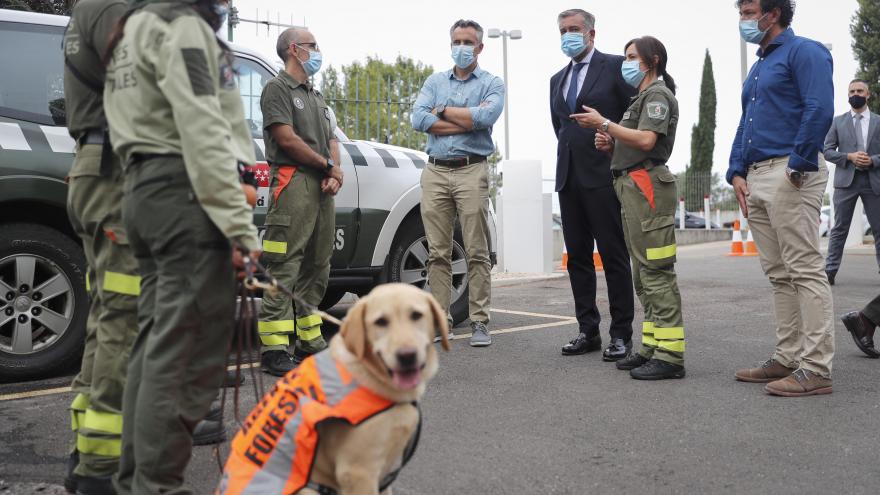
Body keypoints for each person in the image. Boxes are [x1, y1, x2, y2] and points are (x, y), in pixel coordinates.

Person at [102, 0, 261, 492]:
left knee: (157, 348)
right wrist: (238, 226)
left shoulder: (132, 30)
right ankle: (155, 486)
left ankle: (138, 483)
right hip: (184, 193)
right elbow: (202, 124)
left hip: (148, 193)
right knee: (184, 356)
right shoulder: (184, 27)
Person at [727, 0, 835, 397]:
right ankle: (788, 357)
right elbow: (746, 123)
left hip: (790, 171)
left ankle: (816, 367)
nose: (743, 19)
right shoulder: (758, 67)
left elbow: (819, 107)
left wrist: (799, 162)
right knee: (780, 275)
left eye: (748, 11)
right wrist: (736, 171)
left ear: (772, 14)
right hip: (756, 177)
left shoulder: (806, 51)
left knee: (804, 270)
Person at [571, 36, 685, 380]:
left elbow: (648, 142)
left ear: (653, 60)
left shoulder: (658, 96)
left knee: (656, 272)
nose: (627, 62)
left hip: (647, 187)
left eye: (632, 56)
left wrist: (604, 124)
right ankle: (651, 347)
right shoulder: (640, 97)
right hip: (632, 185)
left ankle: (670, 356)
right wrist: (611, 146)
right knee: (642, 274)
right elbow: (635, 145)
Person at [61, 0, 134, 492]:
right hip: (120, 172)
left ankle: (86, 452)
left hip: (103, 166)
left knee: (109, 314)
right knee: (125, 316)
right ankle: (99, 471)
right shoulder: (116, 6)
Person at [411, 19, 504, 347]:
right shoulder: (435, 81)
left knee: (477, 250)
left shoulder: (492, 83)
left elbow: (486, 118)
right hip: (435, 171)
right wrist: (465, 120)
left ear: (480, 47)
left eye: (468, 42)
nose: (461, 47)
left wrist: (444, 112)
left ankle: (479, 321)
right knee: (437, 252)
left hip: (471, 170)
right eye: (457, 41)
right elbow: (418, 119)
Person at [550, 9, 636, 361]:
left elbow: (634, 115)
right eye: (563, 30)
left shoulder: (615, 67)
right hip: (569, 178)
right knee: (578, 259)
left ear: (591, 34)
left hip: (604, 176)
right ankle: (588, 330)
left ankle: (621, 335)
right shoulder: (556, 79)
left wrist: (613, 144)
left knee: (613, 256)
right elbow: (561, 129)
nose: (568, 35)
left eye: (574, 29)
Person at [257, 27, 341, 376]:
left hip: (321, 186)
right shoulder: (277, 89)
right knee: (285, 264)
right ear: (294, 49)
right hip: (293, 182)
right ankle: (274, 349)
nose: (318, 50)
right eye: (313, 45)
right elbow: (287, 140)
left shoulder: (316, 96)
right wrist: (327, 166)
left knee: (317, 264)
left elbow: (332, 138)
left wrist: (334, 172)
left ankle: (310, 341)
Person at [824, 79, 880, 284]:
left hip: (874, 182)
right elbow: (827, 151)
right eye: (852, 91)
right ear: (848, 95)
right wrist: (849, 157)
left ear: (868, 94)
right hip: (845, 182)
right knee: (839, 229)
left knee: (879, 229)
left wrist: (873, 160)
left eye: (860, 90)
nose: (855, 94)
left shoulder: (878, 121)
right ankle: (829, 272)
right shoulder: (838, 122)